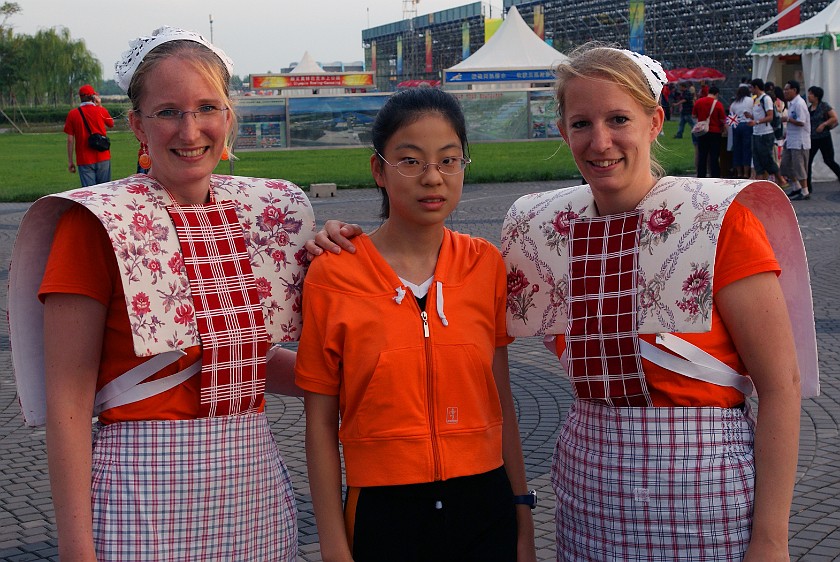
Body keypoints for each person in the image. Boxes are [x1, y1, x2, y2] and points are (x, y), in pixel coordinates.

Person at [9, 26, 314, 561]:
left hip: (253, 490)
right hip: (139, 498)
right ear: (137, 127)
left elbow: (242, 366)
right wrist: (77, 548)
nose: (190, 129)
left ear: (228, 117)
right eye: (168, 111)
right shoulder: (95, 224)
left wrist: (358, 339)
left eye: (207, 108)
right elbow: (69, 402)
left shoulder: (259, 215)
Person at [501, 44, 815, 561]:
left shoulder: (720, 220)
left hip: (707, 498)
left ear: (654, 122)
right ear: (562, 132)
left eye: (619, 118)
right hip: (588, 495)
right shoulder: (541, 230)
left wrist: (771, 539)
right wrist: (343, 242)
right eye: (581, 123)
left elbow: (781, 386)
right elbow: (451, 280)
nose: (600, 141)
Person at [295, 88, 536, 562]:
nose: (432, 178)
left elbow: (501, 398)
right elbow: (319, 423)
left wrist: (523, 517)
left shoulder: (484, 263)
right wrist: (333, 545)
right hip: (386, 512)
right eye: (410, 161)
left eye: (449, 160)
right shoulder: (334, 272)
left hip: (484, 506)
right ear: (378, 170)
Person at [64, 84, 114, 186]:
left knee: (90, 194)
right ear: (93, 97)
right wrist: (100, 105)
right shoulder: (100, 110)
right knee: (104, 192)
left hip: (84, 159)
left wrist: (70, 161)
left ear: (80, 97)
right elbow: (111, 124)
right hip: (103, 155)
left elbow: (70, 139)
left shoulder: (72, 114)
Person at [780, 80, 811, 201]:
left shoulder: (799, 103)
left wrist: (788, 119)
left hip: (800, 141)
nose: (785, 91)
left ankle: (805, 191)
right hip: (790, 139)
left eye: (787, 89)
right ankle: (796, 187)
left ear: (795, 90)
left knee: (799, 166)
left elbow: (801, 122)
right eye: (784, 89)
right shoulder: (791, 103)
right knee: (785, 165)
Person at [746, 78, 781, 181]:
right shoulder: (756, 99)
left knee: (766, 158)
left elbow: (770, 116)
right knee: (757, 159)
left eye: (751, 87)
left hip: (765, 133)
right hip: (756, 133)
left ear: (756, 87)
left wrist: (756, 122)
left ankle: (780, 179)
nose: (750, 90)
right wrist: (751, 117)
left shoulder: (766, 99)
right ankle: (760, 181)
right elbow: (759, 115)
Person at [806, 85, 840, 192]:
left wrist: (824, 124)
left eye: (811, 94)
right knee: (808, 161)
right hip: (812, 138)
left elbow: (834, 118)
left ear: (816, 96)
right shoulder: (809, 108)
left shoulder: (824, 106)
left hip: (824, 137)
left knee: (829, 160)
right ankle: (807, 187)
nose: (809, 96)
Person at [692, 84, 726, 177]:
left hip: (702, 132)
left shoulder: (699, 102)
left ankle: (701, 175)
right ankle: (715, 175)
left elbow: (694, 115)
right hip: (715, 132)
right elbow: (722, 119)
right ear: (717, 94)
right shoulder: (718, 104)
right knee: (714, 156)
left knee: (702, 155)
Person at [729, 85, 754, 178]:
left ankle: (739, 172)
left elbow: (731, 117)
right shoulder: (750, 100)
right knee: (747, 149)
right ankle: (746, 173)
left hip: (736, 126)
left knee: (737, 149)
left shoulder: (734, 103)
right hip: (747, 125)